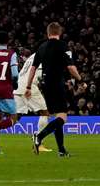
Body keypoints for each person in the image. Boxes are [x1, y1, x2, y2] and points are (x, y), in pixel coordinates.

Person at [32, 22, 81, 157]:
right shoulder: (63, 46)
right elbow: (71, 67)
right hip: (57, 84)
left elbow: (33, 68)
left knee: (57, 116)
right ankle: (39, 136)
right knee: (63, 118)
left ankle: (61, 150)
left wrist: (29, 86)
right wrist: (80, 79)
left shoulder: (41, 47)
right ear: (59, 33)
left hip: (45, 85)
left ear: (48, 33)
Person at [14, 43, 53, 152]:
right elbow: (41, 78)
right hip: (29, 86)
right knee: (45, 113)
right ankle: (39, 142)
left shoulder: (33, 56)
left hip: (18, 85)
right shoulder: (44, 57)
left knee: (16, 116)